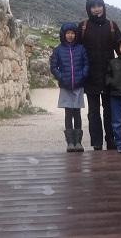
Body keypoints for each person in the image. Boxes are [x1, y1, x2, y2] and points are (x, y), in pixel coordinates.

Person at [78, 0, 121, 151]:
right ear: (88, 9)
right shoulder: (83, 26)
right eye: (93, 6)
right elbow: (76, 50)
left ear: (103, 6)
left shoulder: (112, 26)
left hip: (109, 75)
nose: (97, 9)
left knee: (109, 110)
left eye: (99, 5)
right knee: (93, 112)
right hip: (90, 76)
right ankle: (96, 142)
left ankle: (111, 140)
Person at [49, 21, 89, 152]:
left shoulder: (81, 49)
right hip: (66, 86)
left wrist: (82, 76)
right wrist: (62, 78)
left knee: (77, 113)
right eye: (68, 33)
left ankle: (78, 142)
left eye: (72, 33)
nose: (70, 35)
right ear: (63, 34)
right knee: (68, 113)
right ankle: (70, 142)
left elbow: (86, 64)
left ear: (76, 34)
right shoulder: (58, 50)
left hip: (78, 86)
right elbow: (54, 67)